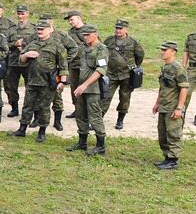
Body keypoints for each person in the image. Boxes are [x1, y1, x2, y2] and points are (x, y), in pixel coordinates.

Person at [10, 19, 66, 143]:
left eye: (42, 29)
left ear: (49, 30)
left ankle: (42, 132)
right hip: (32, 80)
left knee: (44, 108)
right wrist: (26, 54)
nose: (39, 31)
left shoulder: (57, 45)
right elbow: (21, 59)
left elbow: (63, 65)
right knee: (27, 106)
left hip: (48, 82)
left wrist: (62, 82)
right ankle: (22, 129)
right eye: (38, 29)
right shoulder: (32, 43)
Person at [66, 25, 109, 156]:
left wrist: (85, 85)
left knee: (95, 116)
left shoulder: (102, 49)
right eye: (83, 35)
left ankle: (100, 145)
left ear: (95, 34)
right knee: (81, 115)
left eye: (87, 35)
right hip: (81, 88)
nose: (85, 37)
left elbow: (101, 70)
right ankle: (82, 142)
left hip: (93, 89)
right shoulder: (84, 49)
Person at [100, 19, 145, 130]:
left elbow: (140, 56)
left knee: (124, 98)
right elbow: (102, 53)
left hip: (126, 75)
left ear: (126, 29)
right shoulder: (109, 41)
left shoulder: (133, 42)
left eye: (121, 28)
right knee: (105, 97)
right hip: (111, 74)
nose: (118, 30)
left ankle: (120, 120)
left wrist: (134, 67)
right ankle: (98, 120)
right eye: (117, 28)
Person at [153, 41, 189, 170]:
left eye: (165, 50)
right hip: (164, 105)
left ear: (173, 52)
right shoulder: (165, 67)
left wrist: (179, 108)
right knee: (162, 133)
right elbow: (163, 87)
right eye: (162, 50)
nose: (162, 52)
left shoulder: (178, 68)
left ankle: (173, 160)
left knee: (173, 133)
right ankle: (167, 157)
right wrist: (157, 102)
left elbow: (184, 88)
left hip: (173, 107)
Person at [3, 5, 35, 118]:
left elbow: (37, 43)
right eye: (19, 13)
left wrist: (24, 45)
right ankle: (14, 108)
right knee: (12, 86)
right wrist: (14, 44)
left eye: (23, 13)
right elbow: (4, 44)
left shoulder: (33, 28)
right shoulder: (11, 29)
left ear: (27, 14)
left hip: (28, 62)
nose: (20, 16)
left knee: (30, 87)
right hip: (13, 62)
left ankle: (29, 109)